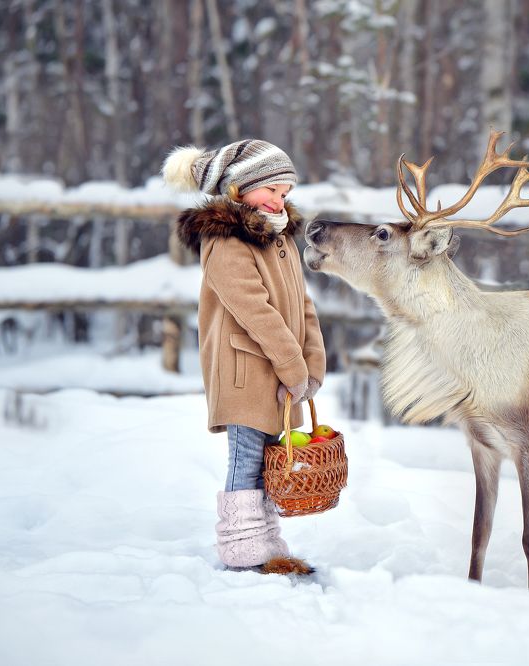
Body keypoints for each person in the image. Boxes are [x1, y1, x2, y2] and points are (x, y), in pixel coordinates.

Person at [162, 139, 325, 574]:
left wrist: (312, 361)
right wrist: (292, 365)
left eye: (285, 192)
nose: (279, 200)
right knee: (248, 456)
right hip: (244, 370)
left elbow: (302, 304)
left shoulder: (278, 235)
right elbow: (254, 309)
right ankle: (241, 545)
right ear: (239, 186)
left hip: (277, 369)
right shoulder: (227, 241)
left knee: (270, 458)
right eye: (271, 189)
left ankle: (265, 541)